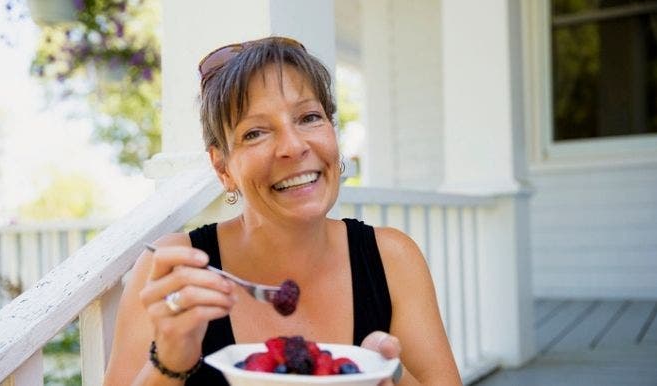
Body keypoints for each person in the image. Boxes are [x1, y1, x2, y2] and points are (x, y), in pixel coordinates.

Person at [104, 36, 461, 386]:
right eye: (256, 133)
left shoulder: (392, 258)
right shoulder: (175, 268)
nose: (293, 146)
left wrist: (388, 373)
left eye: (308, 117)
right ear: (223, 169)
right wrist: (170, 361)